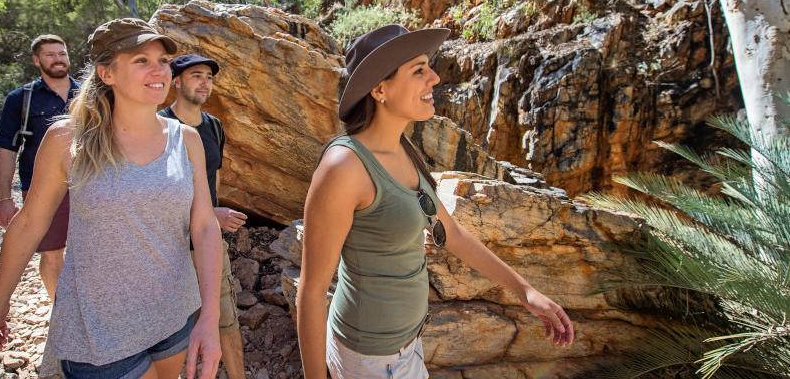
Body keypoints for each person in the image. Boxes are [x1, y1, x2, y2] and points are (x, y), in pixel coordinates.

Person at [296, 24, 575, 379]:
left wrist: (525, 290)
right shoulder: (345, 168)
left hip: (406, 346)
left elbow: (451, 233)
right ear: (380, 90)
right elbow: (312, 288)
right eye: (418, 70)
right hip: (370, 359)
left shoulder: (403, 150)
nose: (435, 78)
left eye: (428, 66)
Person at [0, 18, 223, 379]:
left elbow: (203, 227)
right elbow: (29, 224)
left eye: (163, 61)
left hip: (173, 312)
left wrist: (210, 319)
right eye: (141, 61)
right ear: (107, 74)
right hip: (97, 329)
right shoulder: (67, 138)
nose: (159, 71)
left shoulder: (186, 139)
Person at [160, 54, 248, 379]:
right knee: (176, 327)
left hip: (208, 243)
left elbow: (213, 181)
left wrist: (213, 217)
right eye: (196, 75)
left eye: (209, 77)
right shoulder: (159, 128)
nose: (205, 83)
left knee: (225, 319)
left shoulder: (213, 126)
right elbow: (155, 200)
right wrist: (213, 213)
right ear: (176, 81)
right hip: (168, 247)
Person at [0, 34, 78, 300]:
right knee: (53, 255)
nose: (58, 59)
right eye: (50, 55)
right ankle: (62, 311)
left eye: (62, 53)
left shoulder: (89, 93)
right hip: (41, 189)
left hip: (90, 184)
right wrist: (3, 198)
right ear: (36, 60)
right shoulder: (21, 99)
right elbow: (7, 150)